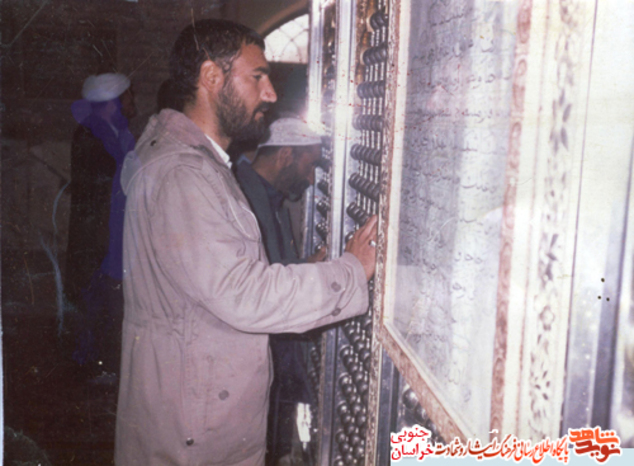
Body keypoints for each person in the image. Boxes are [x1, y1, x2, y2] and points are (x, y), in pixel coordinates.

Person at [115, 19, 377, 465]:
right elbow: (243, 294)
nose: (270, 94)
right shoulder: (184, 174)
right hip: (194, 433)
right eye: (257, 77)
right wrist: (350, 271)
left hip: (191, 411)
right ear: (211, 78)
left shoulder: (195, 163)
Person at [234, 117, 328, 464]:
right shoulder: (245, 196)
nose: (311, 178)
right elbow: (258, 282)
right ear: (286, 155)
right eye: (309, 164)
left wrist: (308, 265)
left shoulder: (268, 198)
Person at [66, 73, 136, 379]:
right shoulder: (92, 136)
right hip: (99, 241)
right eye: (128, 97)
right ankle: (92, 370)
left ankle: (102, 365)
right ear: (112, 103)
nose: (133, 102)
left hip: (110, 238)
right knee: (97, 305)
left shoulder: (114, 131)